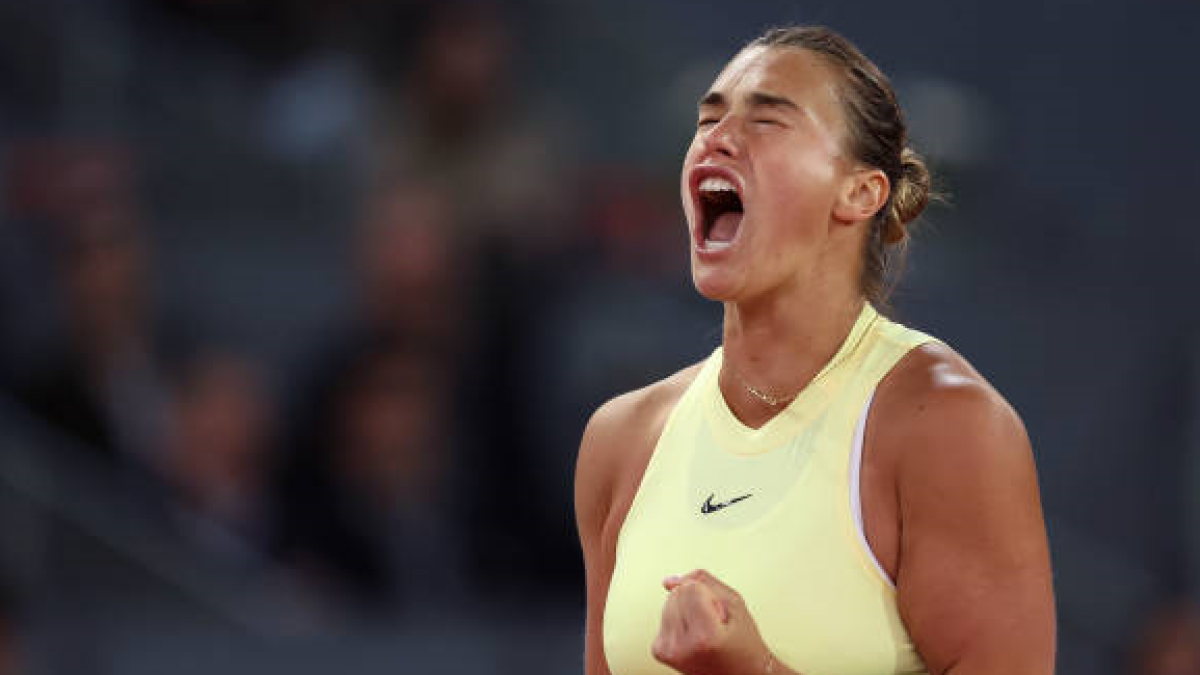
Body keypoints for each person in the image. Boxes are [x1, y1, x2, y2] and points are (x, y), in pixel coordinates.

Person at [574, 26, 1055, 675]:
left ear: (860, 192)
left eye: (768, 120)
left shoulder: (946, 427)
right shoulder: (621, 440)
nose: (717, 137)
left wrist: (757, 670)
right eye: (709, 118)